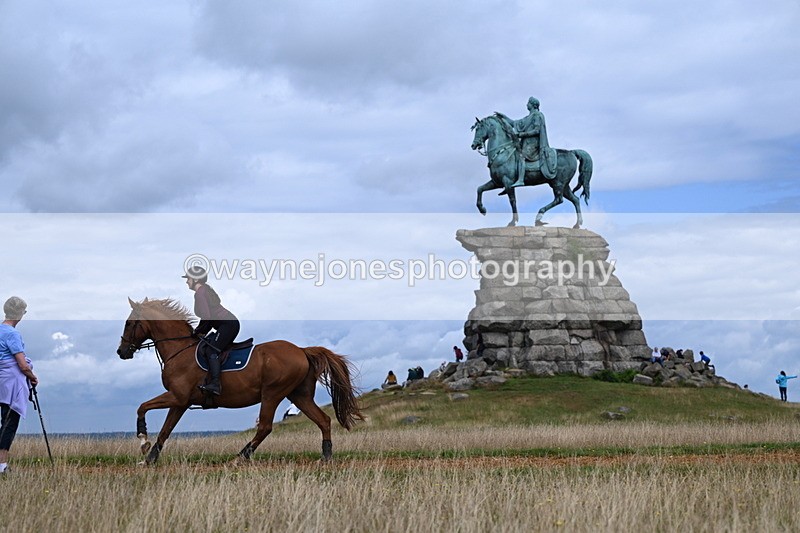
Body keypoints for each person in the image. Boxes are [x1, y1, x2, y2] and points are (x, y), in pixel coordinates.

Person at [183, 265, 240, 396]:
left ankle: (215, 384)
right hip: (226, 324)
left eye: (188, 279)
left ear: (195, 279)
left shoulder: (200, 293)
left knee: (211, 350)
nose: (187, 281)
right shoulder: (204, 290)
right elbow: (208, 319)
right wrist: (200, 332)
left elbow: (207, 317)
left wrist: (197, 331)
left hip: (227, 325)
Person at [0, 297, 38, 475]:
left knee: (4, 421)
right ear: (19, 313)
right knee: (9, 423)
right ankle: (2, 465)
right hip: (11, 383)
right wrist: (32, 376)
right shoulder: (12, 334)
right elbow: (22, 364)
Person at [510, 96, 557, 186]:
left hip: (533, 144)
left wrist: (522, 134)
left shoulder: (537, 115)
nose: (526, 104)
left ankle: (520, 179)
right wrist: (503, 117)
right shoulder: (528, 117)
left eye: (528, 103)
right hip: (526, 143)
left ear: (533, 105)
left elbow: (537, 130)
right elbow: (514, 123)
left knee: (521, 156)